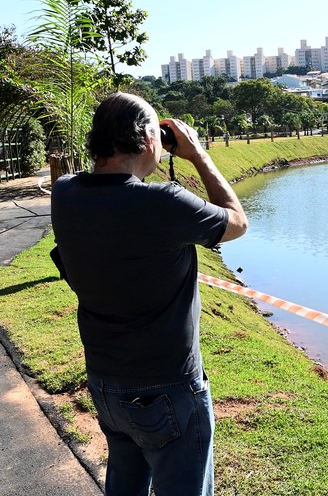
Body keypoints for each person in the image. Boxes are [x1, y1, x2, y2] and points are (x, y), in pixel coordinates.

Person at [50, 92, 248, 496]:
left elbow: (110, 198)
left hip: (106, 384)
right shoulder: (164, 203)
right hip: (168, 387)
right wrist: (197, 155)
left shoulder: (65, 192)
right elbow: (236, 222)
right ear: (146, 138)